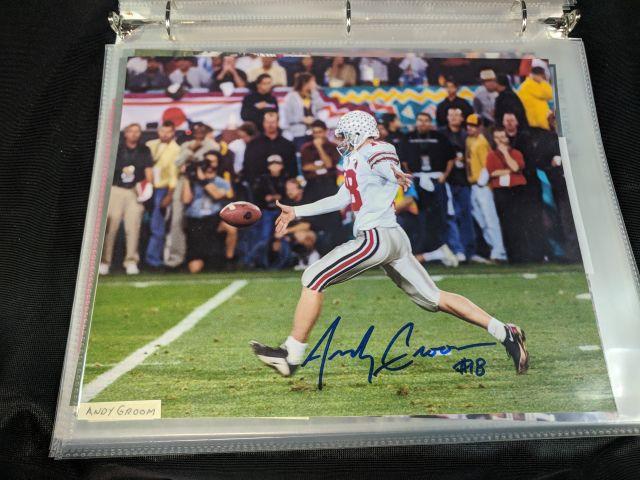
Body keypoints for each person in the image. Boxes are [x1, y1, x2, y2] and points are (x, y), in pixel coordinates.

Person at [250, 110, 530, 378]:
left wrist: (393, 172)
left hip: (375, 237)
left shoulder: (374, 149)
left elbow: (384, 160)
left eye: (344, 135)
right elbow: (340, 199)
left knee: (312, 277)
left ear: (359, 133)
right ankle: (505, 332)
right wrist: (297, 211)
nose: (340, 141)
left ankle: (291, 355)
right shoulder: (354, 158)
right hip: (392, 237)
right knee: (433, 298)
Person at [404, 112, 459, 267]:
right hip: (418, 181)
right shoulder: (408, 138)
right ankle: (424, 252)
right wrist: (411, 175)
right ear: (416, 122)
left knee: (440, 217)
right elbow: (404, 160)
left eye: (426, 120)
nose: (422, 123)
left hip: (436, 179)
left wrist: (445, 176)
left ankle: (442, 251)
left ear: (430, 123)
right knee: (420, 219)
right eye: (420, 120)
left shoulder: (440, 137)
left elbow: (451, 158)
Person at [100, 124, 153, 275]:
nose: (134, 134)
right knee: (111, 226)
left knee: (133, 226)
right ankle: (105, 261)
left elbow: (148, 172)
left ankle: (131, 261)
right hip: (116, 189)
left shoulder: (144, 150)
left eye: (137, 131)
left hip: (134, 190)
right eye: (131, 131)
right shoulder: (116, 149)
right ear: (126, 134)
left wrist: (146, 190)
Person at [181, 150, 237, 272]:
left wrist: (203, 180)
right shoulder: (193, 180)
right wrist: (187, 178)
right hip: (195, 221)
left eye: (213, 162)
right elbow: (185, 200)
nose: (209, 165)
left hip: (213, 219)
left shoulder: (221, 181)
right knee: (195, 268)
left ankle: (229, 260)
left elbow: (217, 195)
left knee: (231, 228)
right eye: (207, 161)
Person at [465, 114, 507, 262]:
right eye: (468, 125)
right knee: (481, 220)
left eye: (473, 125)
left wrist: (482, 182)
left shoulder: (482, 142)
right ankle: (494, 249)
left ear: (480, 127)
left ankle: (499, 251)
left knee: (490, 220)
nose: (470, 127)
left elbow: (487, 165)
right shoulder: (471, 140)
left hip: (482, 185)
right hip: (474, 185)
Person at [440, 108, 479, 263]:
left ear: (462, 118)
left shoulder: (467, 135)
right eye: (451, 115)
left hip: (464, 180)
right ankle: (457, 249)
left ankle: (469, 251)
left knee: (466, 216)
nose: (454, 118)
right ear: (447, 117)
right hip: (448, 180)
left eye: (457, 115)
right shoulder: (442, 134)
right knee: (451, 216)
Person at [486, 128, 529, 263]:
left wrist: (505, 153)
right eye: (497, 137)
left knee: (520, 221)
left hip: (517, 188)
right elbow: (492, 173)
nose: (500, 140)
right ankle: (512, 256)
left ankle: (524, 254)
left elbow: (517, 167)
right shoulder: (491, 155)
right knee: (506, 222)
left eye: (502, 137)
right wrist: (510, 170)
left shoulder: (516, 153)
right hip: (501, 190)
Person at [144, 121, 180, 268]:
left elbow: (174, 175)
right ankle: (148, 258)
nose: (164, 134)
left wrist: (169, 195)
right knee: (147, 223)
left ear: (173, 133)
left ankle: (153, 260)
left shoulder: (176, 150)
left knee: (157, 226)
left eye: (168, 132)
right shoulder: (150, 144)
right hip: (146, 187)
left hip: (162, 189)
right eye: (162, 131)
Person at [243, 111, 298, 184]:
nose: (270, 125)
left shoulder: (288, 145)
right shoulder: (253, 144)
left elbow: (293, 169)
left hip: (284, 186)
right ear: (263, 123)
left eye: (273, 122)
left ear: (278, 123)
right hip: (260, 186)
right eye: (267, 122)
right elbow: (248, 167)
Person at [281, 72, 325, 152]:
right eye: (313, 81)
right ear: (305, 83)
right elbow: (287, 118)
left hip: (313, 133)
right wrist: (302, 119)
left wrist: (314, 92)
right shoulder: (291, 97)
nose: (315, 83)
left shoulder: (314, 94)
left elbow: (321, 106)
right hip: (298, 134)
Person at [252, 154, 289, 245]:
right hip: (267, 210)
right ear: (268, 166)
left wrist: (281, 197)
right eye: (272, 164)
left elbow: (290, 195)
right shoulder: (262, 179)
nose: (275, 166)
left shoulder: (286, 178)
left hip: (283, 211)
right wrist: (265, 198)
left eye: (277, 164)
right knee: (265, 236)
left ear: (282, 166)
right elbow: (256, 195)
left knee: (282, 235)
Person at [300, 120, 340, 200]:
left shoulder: (333, 147)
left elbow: (329, 165)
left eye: (319, 132)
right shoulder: (306, 148)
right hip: (312, 184)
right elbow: (305, 167)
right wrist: (324, 165)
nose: (317, 135)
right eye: (315, 132)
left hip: (330, 184)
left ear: (325, 131)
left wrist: (319, 147)